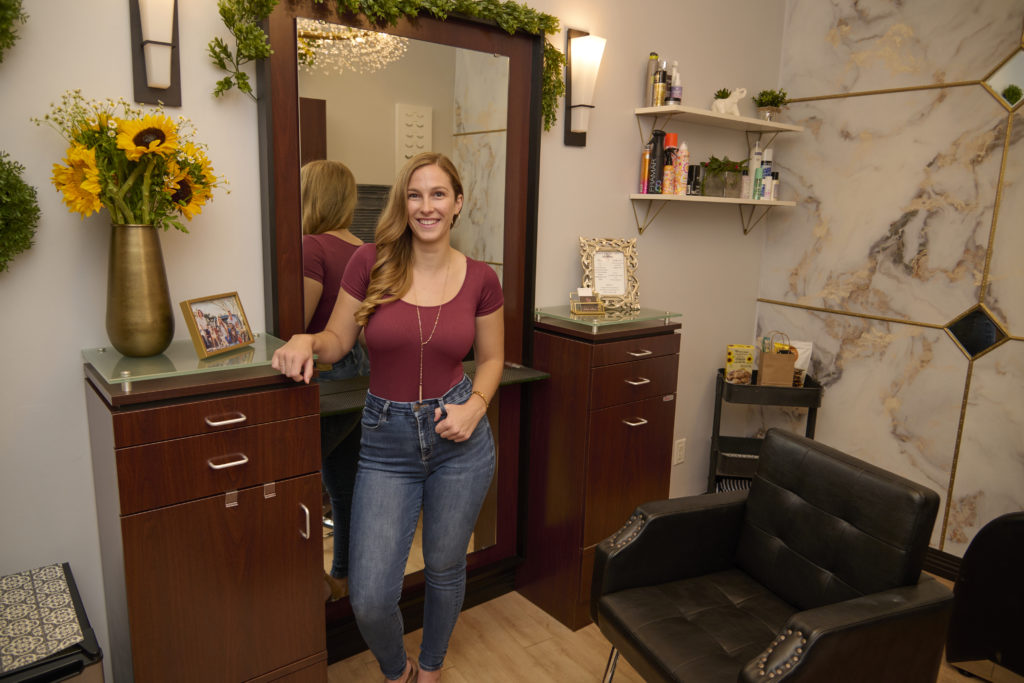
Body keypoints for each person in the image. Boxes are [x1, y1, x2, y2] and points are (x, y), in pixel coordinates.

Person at [273, 152, 503, 683]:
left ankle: (431, 668)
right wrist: (308, 339)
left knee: (445, 567)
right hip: (384, 439)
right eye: (415, 195)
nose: (427, 206)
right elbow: (336, 341)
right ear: (404, 203)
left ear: (458, 203)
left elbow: (491, 359)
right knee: (372, 595)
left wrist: (476, 407)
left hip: (460, 438)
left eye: (439, 194)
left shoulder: (481, 279)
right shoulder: (370, 263)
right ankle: (396, 671)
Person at [299, 159, 369, 602]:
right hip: (360, 374)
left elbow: (301, 323)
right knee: (346, 487)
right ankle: (343, 578)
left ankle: (311, 587)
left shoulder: (311, 247)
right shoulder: (365, 248)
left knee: (297, 489)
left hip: (325, 375)